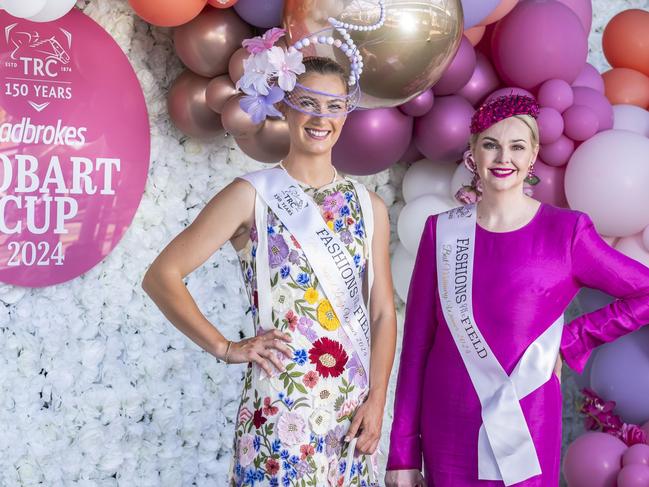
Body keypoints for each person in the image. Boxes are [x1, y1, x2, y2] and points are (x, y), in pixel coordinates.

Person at [143, 24, 396, 487]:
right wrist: (224, 347)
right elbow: (162, 275)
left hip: (349, 418)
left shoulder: (369, 206)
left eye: (334, 106)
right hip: (278, 413)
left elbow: (381, 313)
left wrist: (377, 398)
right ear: (285, 104)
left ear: (346, 115)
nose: (321, 117)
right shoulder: (251, 195)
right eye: (308, 103)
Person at [384, 94, 649, 487]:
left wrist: (571, 340)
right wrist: (402, 453)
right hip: (447, 424)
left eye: (517, 146)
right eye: (490, 144)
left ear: (533, 155)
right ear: (473, 152)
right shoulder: (441, 231)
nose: (503, 157)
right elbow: (417, 346)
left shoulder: (567, 232)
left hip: (527, 417)